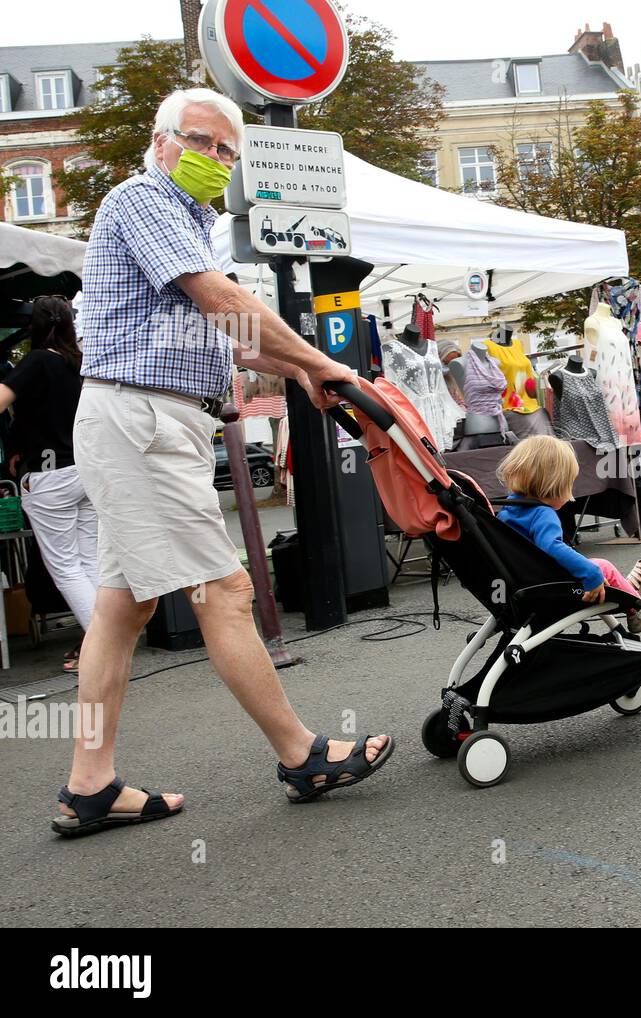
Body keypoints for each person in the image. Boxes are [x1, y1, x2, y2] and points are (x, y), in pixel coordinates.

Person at [52, 88, 392, 838]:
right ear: (161, 138)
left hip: (139, 417)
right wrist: (321, 362)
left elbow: (227, 330)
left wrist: (299, 370)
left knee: (122, 607)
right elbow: (216, 296)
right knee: (227, 591)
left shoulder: (189, 222)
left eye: (227, 152)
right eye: (202, 143)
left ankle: (89, 786)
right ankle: (302, 753)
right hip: (141, 418)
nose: (215, 160)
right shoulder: (144, 199)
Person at [0, 296, 97, 672]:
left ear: (34, 328)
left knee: (66, 567)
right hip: (86, 470)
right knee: (90, 561)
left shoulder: (38, 360)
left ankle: (102, 646)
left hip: (49, 477)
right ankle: (104, 641)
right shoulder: (80, 362)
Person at [495, 435, 641, 634]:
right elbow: (552, 547)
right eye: (569, 484)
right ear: (555, 485)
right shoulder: (542, 514)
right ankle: (637, 610)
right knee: (602, 567)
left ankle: (623, 588)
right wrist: (591, 574)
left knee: (596, 567)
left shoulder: (508, 512)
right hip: (548, 586)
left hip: (523, 582)